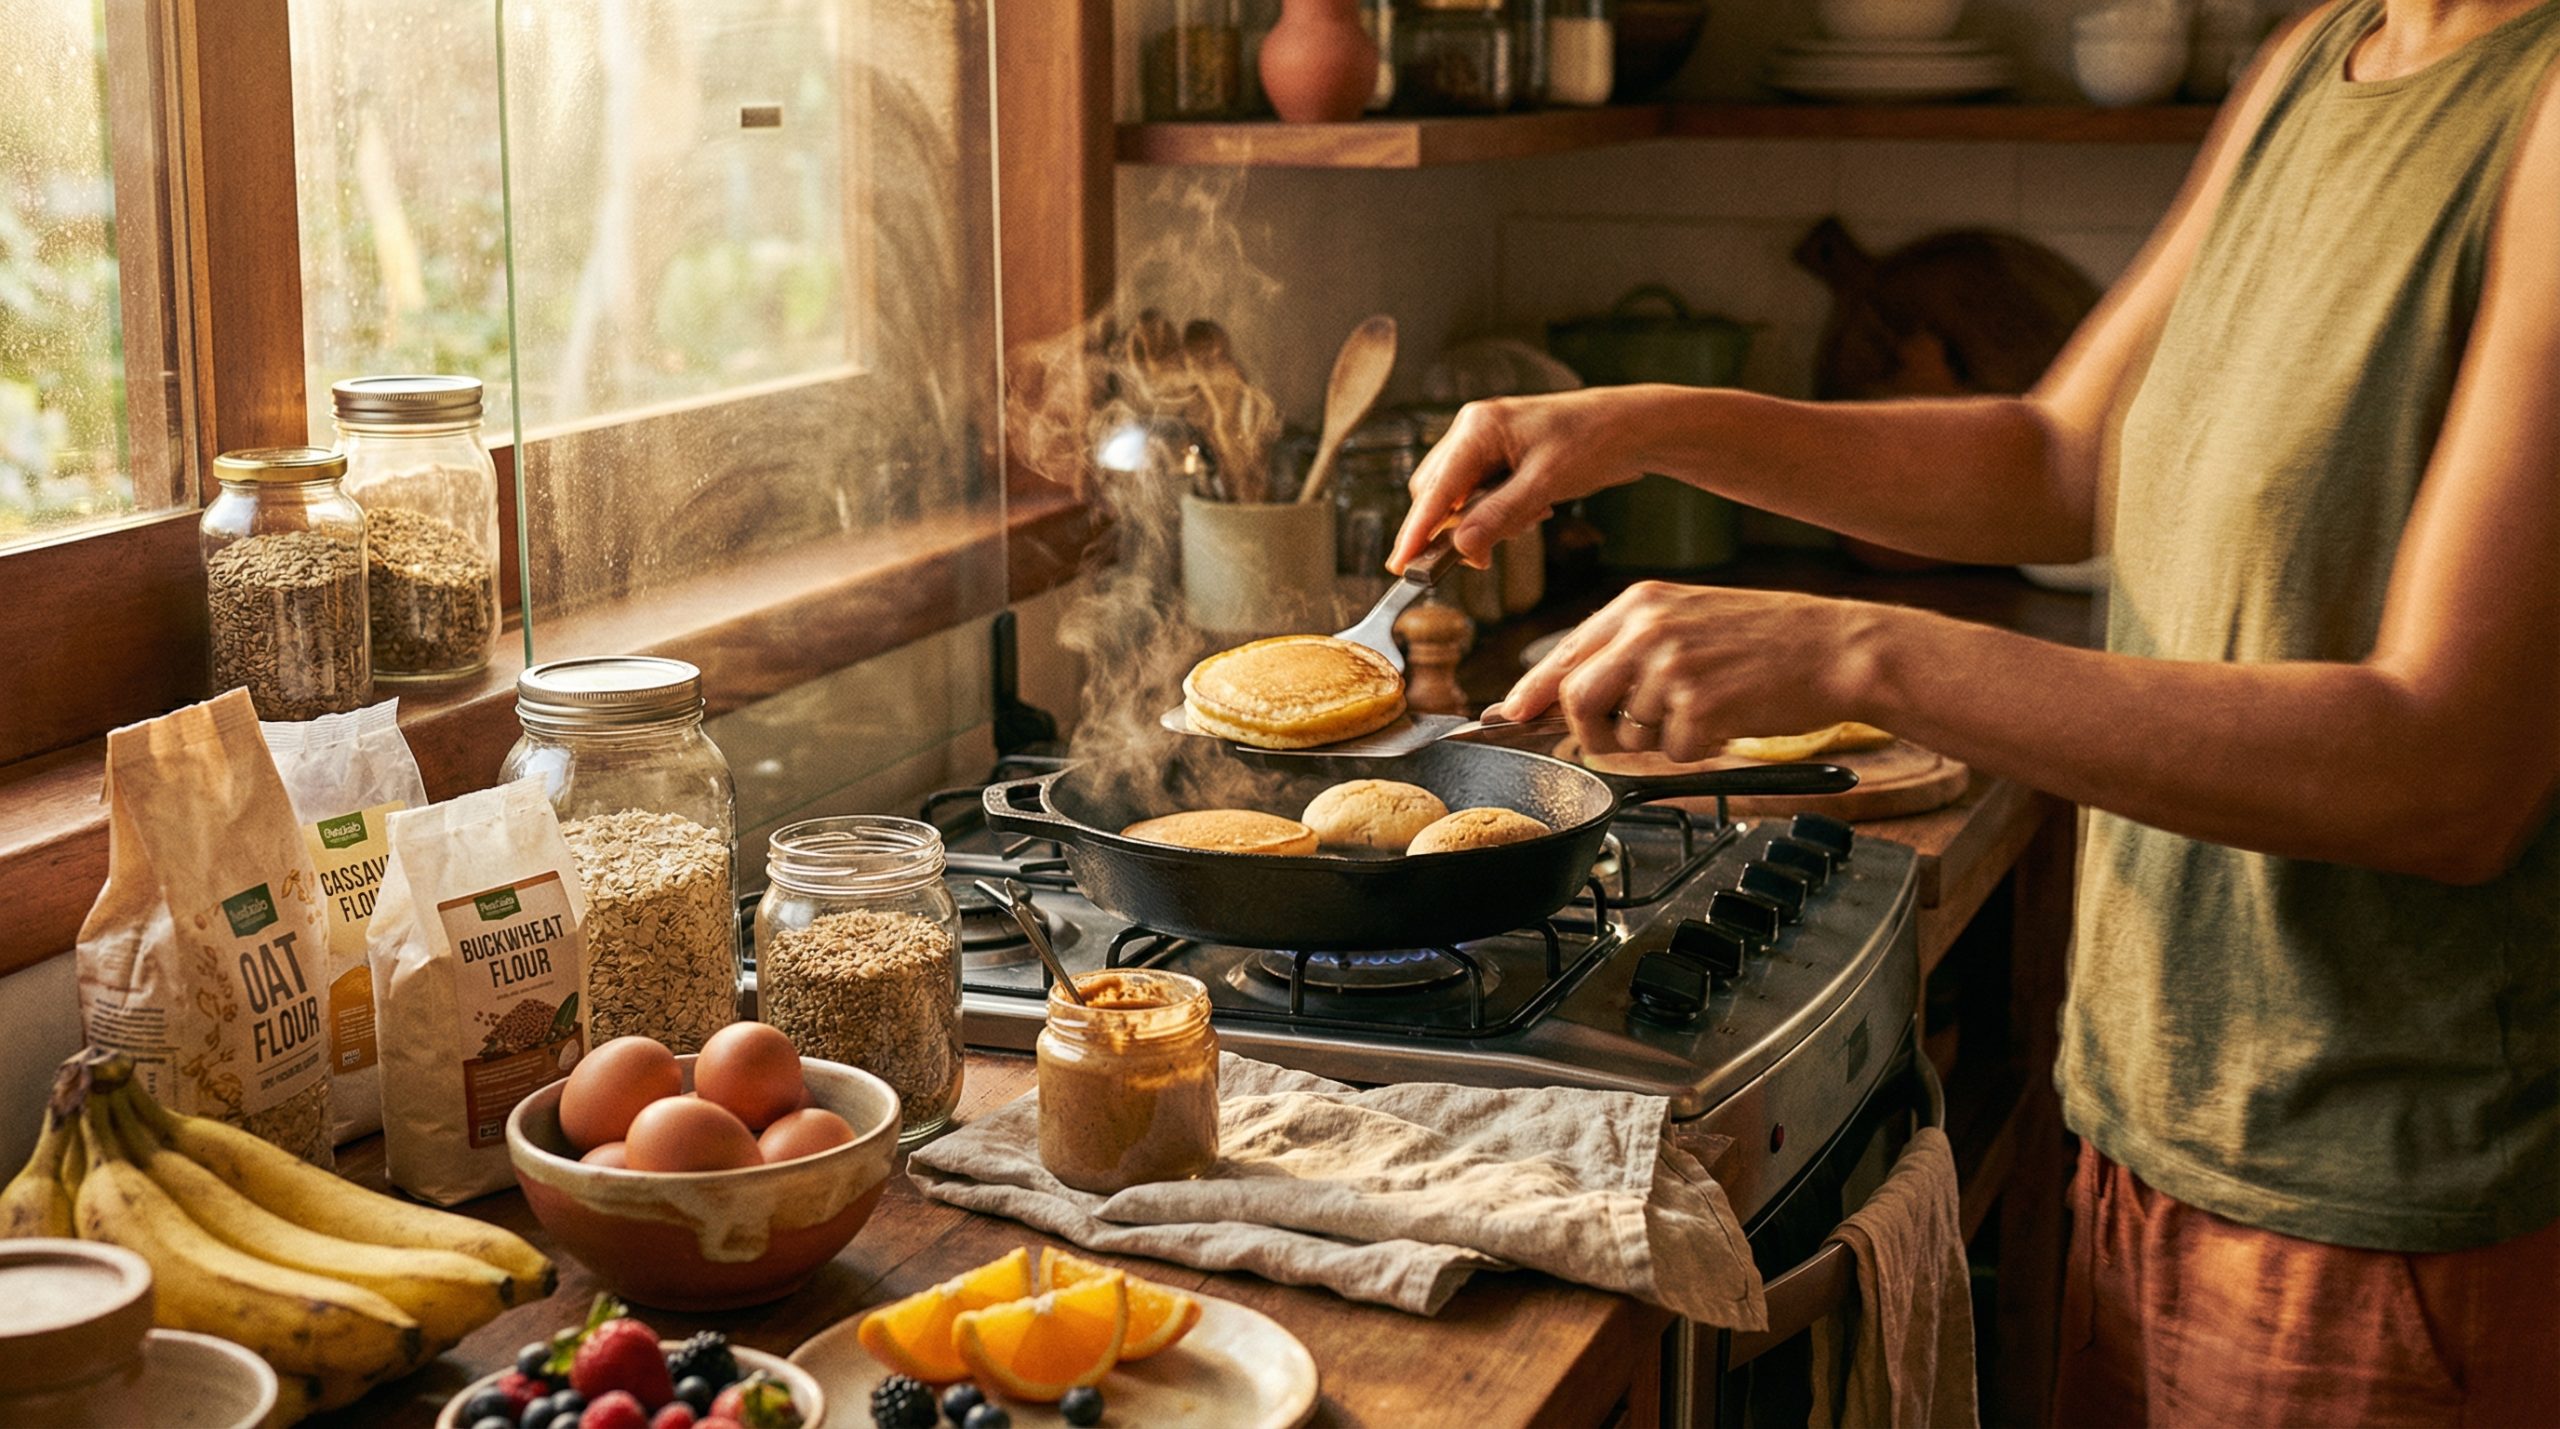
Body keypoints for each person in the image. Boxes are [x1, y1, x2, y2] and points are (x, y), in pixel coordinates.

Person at [1389, 0, 2560, 1422]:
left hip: (2382, 1206)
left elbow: (2444, 772)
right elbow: (2060, 457)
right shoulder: (2321, 57)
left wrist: (1862, 653)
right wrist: (1637, 426)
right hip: (2145, 1129)